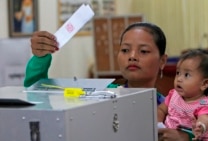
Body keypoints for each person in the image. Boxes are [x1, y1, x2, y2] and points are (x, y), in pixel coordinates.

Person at [24, 22, 190, 140]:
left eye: (143, 51)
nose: (132, 56)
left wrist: (186, 138)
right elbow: (37, 94)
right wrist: (40, 58)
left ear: (162, 60)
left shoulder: (175, 109)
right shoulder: (100, 93)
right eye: (125, 50)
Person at [157, 49, 208, 141]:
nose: (179, 79)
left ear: (204, 84)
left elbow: (205, 119)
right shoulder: (174, 95)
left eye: (186, 75)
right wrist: (158, 124)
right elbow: (161, 109)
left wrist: (201, 126)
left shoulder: (203, 105)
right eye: (178, 73)